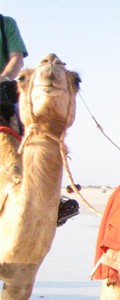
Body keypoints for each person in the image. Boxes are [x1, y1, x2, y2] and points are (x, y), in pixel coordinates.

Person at [0, 14, 80, 226]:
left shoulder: (5, 24)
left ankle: (50, 201)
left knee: (37, 130)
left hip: (3, 90)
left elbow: (16, 58)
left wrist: (4, 78)